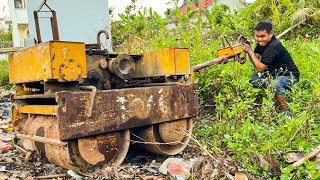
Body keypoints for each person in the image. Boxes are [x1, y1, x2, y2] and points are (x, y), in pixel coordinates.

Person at [243, 20, 299, 118]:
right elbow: (255, 60)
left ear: (271, 34)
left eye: (262, 36)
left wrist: (250, 52)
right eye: (257, 36)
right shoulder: (262, 44)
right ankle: (274, 97)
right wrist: (249, 51)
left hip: (289, 76)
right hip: (273, 74)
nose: (259, 39)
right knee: (254, 79)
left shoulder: (274, 46)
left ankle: (285, 114)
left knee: (275, 84)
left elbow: (260, 68)